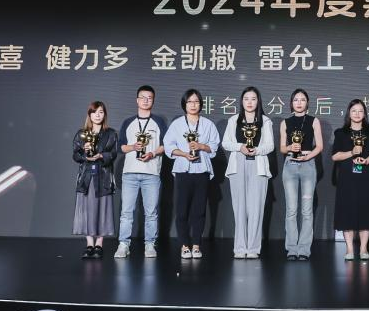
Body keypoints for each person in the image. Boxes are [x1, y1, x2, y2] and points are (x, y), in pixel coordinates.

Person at [163, 89, 220, 260]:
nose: (193, 105)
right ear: (184, 104)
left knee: (199, 210)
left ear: (201, 104)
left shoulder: (208, 124)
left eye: (196, 101)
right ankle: (184, 245)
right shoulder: (177, 124)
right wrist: (184, 154)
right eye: (189, 102)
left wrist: (201, 146)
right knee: (181, 210)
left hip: (202, 170)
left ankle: (196, 245)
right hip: (183, 170)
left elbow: (214, 147)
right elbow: (168, 146)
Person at [222, 86, 275, 259]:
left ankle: (253, 248)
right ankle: (239, 248)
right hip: (237, 164)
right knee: (239, 208)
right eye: (246, 99)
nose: (250, 102)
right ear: (241, 101)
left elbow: (270, 146)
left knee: (256, 209)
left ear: (258, 101)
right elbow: (225, 143)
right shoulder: (234, 120)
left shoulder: (265, 121)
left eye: (253, 99)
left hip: (258, 165)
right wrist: (240, 147)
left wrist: (256, 150)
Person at [115, 85, 164, 259]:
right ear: (137, 100)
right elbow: (120, 147)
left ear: (153, 101)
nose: (146, 100)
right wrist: (133, 147)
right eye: (143, 97)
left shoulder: (159, 122)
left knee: (151, 213)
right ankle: (123, 244)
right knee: (126, 212)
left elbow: (165, 146)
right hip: (130, 173)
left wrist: (152, 153)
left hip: (151, 173)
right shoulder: (128, 122)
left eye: (149, 98)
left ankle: (150, 244)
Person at [330, 99, 369, 260]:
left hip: (366, 175)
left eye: (360, 111)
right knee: (347, 212)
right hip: (347, 177)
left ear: (364, 114)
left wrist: (366, 160)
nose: (357, 114)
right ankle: (349, 249)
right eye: (354, 111)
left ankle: (364, 249)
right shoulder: (341, 133)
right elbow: (335, 156)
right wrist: (352, 152)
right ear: (349, 113)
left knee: (365, 210)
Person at [279, 89, 323, 261]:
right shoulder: (285, 122)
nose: (299, 103)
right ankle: (291, 248)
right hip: (290, 164)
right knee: (291, 210)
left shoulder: (314, 121)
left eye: (302, 99)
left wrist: (308, 156)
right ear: (291, 103)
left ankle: (304, 249)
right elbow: (282, 148)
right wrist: (290, 147)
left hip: (308, 165)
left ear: (307, 103)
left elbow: (319, 146)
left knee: (306, 210)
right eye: (296, 100)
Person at [72, 101, 119, 259]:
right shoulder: (82, 134)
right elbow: (75, 155)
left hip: (103, 175)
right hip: (86, 177)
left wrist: (101, 155)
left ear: (105, 114)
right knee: (87, 209)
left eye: (101, 112)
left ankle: (99, 244)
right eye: (94, 112)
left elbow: (113, 153)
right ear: (89, 115)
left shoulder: (111, 133)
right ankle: (89, 244)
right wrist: (85, 153)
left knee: (103, 208)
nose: (97, 115)